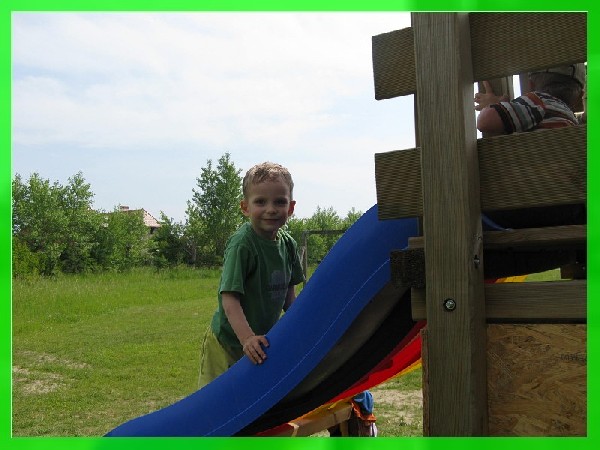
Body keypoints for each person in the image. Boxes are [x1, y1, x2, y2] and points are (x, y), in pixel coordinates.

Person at [198, 161, 305, 388]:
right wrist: (246, 338)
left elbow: (289, 296)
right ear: (245, 207)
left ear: (291, 207)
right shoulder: (242, 245)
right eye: (260, 202)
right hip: (227, 343)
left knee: (255, 397)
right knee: (218, 400)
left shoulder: (288, 245)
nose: (271, 209)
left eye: (280, 201)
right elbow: (229, 299)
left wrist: (304, 323)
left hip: (260, 342)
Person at [475, 63, 585, 136]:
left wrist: (494, 104)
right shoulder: (572, 122)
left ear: (531, 85)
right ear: (580, 96)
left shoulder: (539, 102)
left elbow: (485, 122)